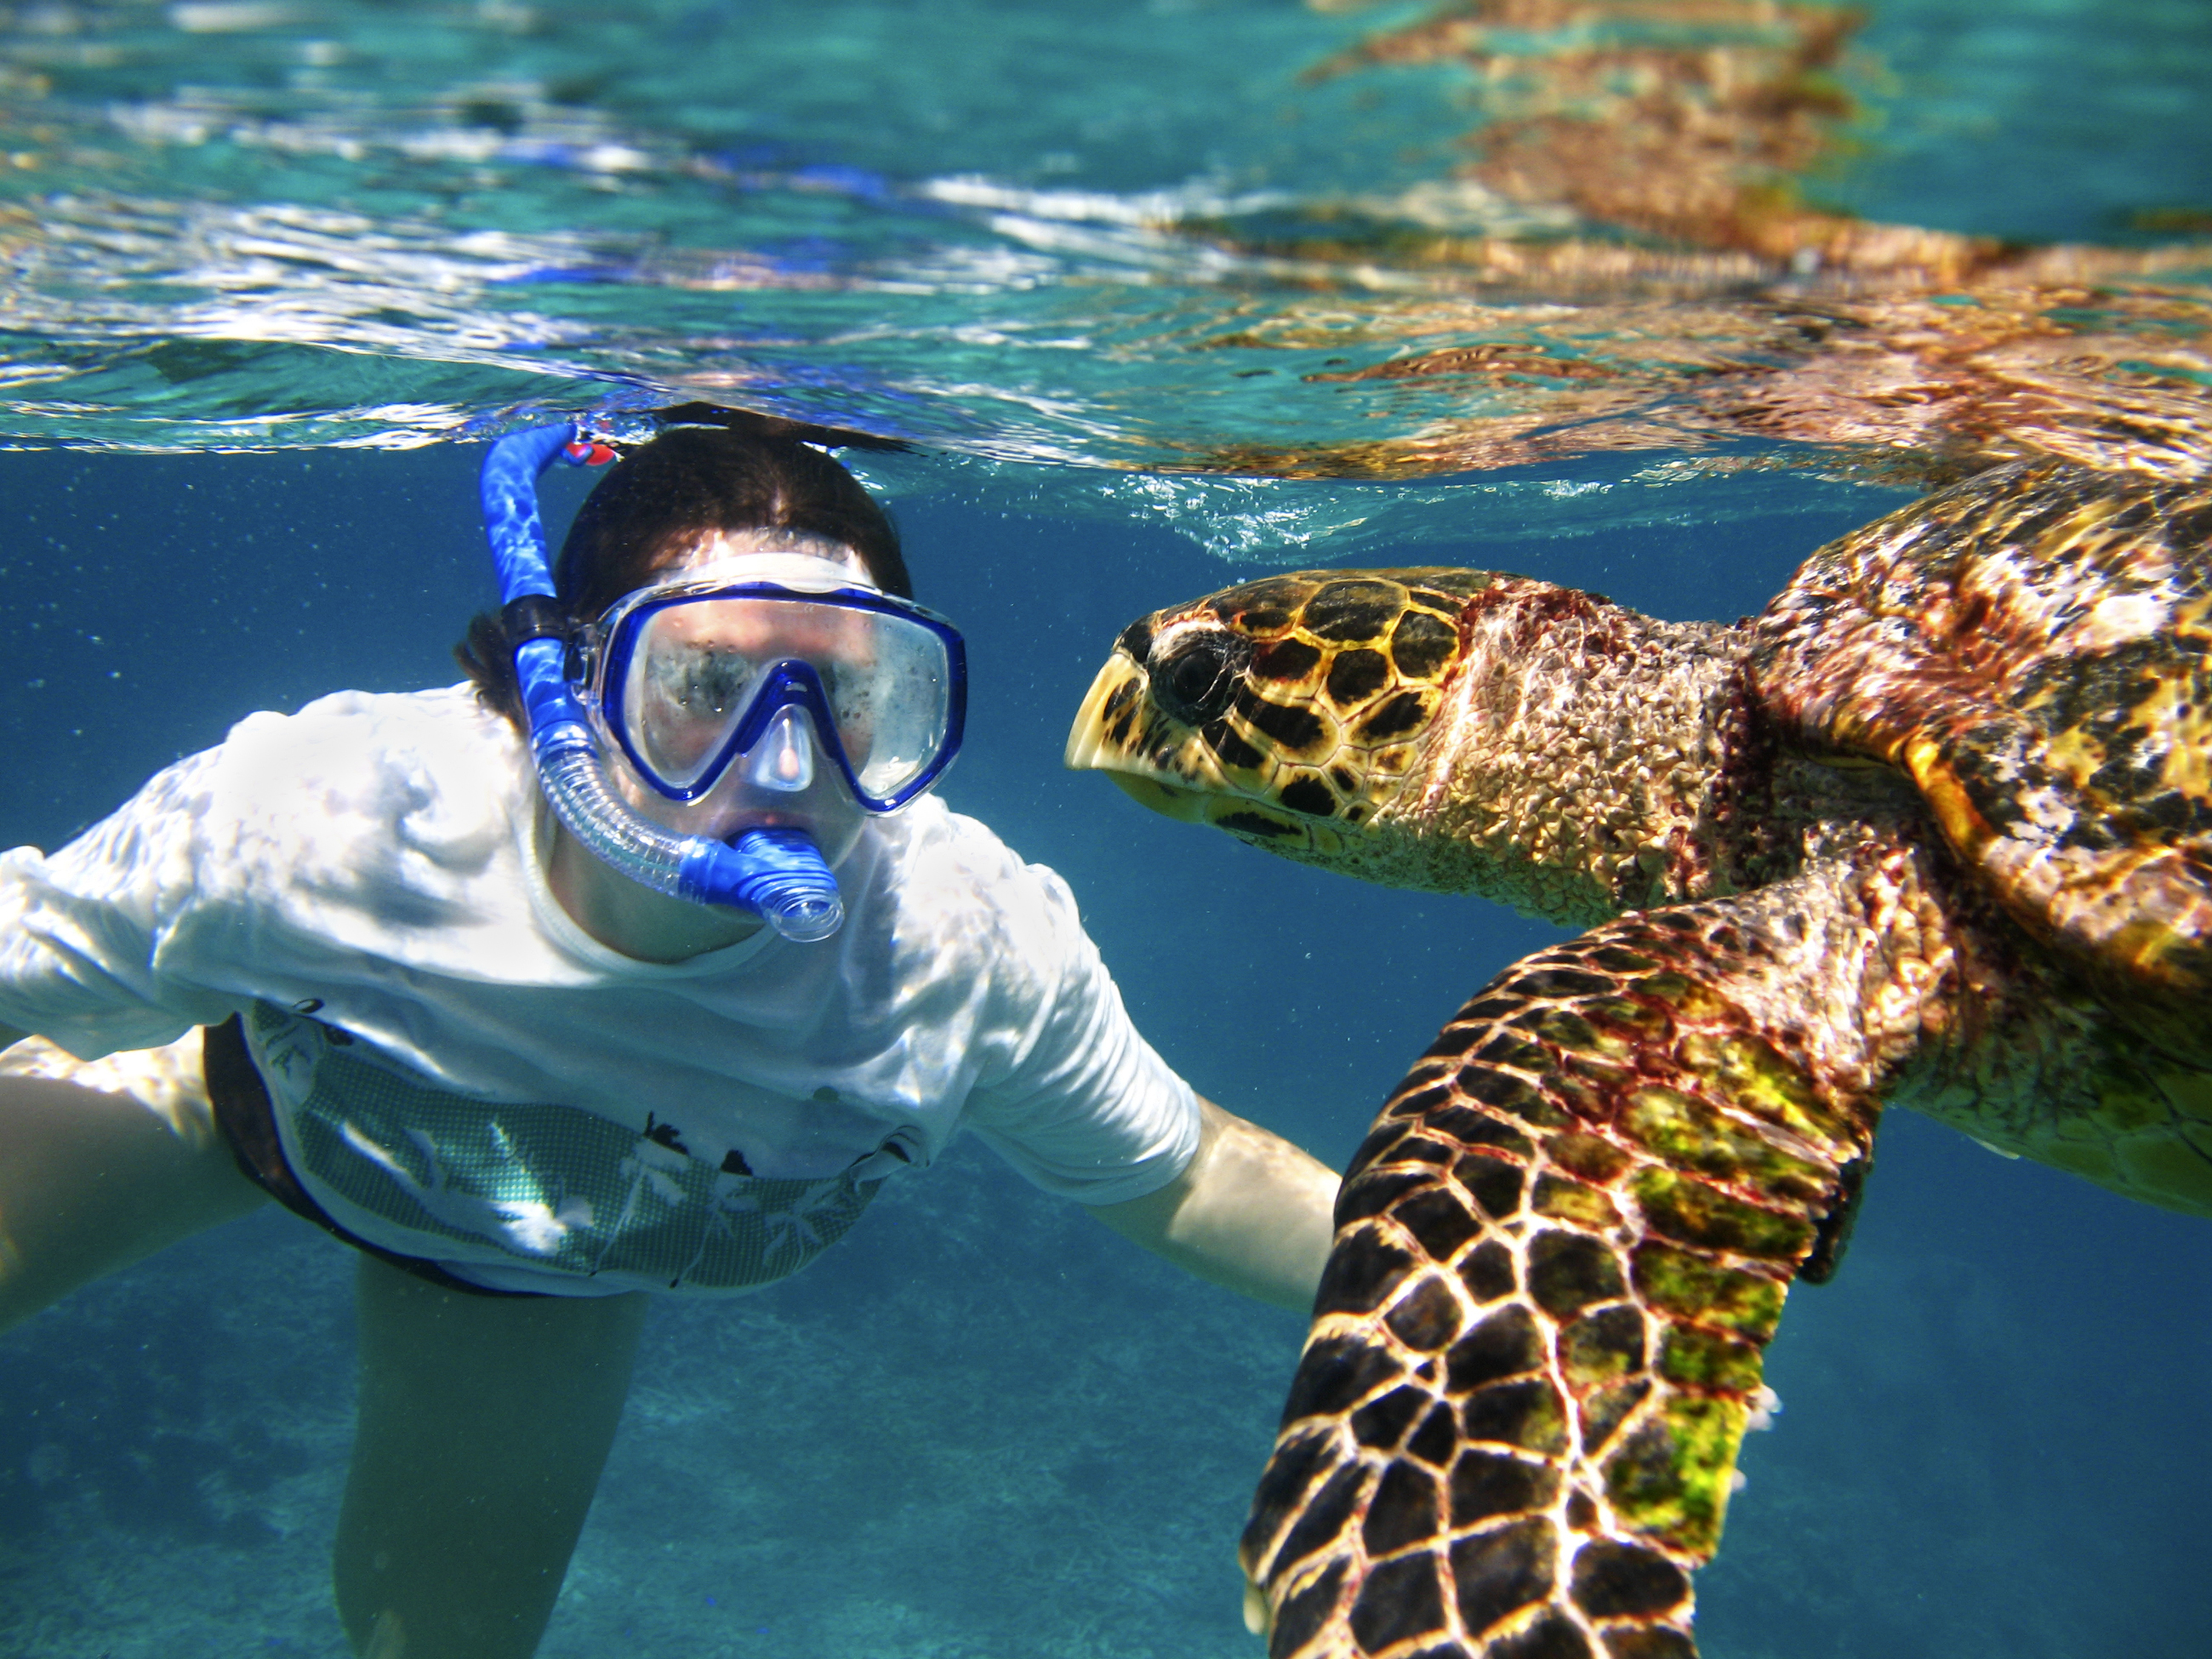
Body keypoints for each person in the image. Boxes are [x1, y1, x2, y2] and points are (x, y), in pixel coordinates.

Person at [0, 409, 1338, 1659]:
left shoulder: (955, 945)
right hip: (235, 1114)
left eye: (854, 695)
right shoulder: (326, 824)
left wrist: (1507, 1281)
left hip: (533, 1283)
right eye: (706, 681)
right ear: (562, 692)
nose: (787, 763)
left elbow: (1188, 1173)